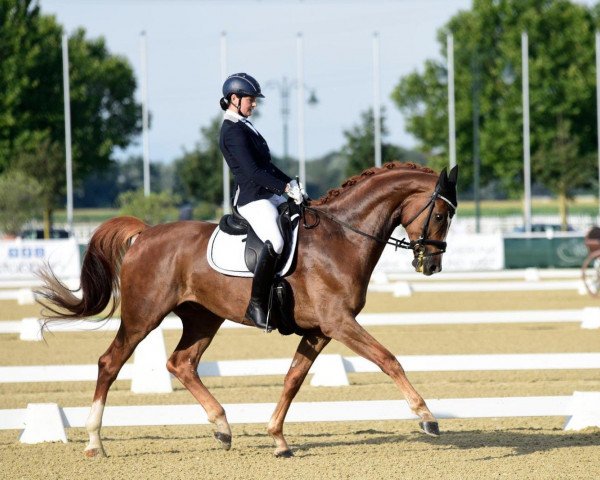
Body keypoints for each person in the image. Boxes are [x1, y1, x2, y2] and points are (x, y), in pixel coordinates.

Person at [219, 72, 303, 331]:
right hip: (252, 199)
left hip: (267, 193)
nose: (254, 104)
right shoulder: (232, 130)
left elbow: (266, 165)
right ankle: (256, 305)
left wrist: (291, 183)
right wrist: (285, 188)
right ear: (235, 98)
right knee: (275, 241)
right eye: (250, 100)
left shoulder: (244, 125)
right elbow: (254, 172)